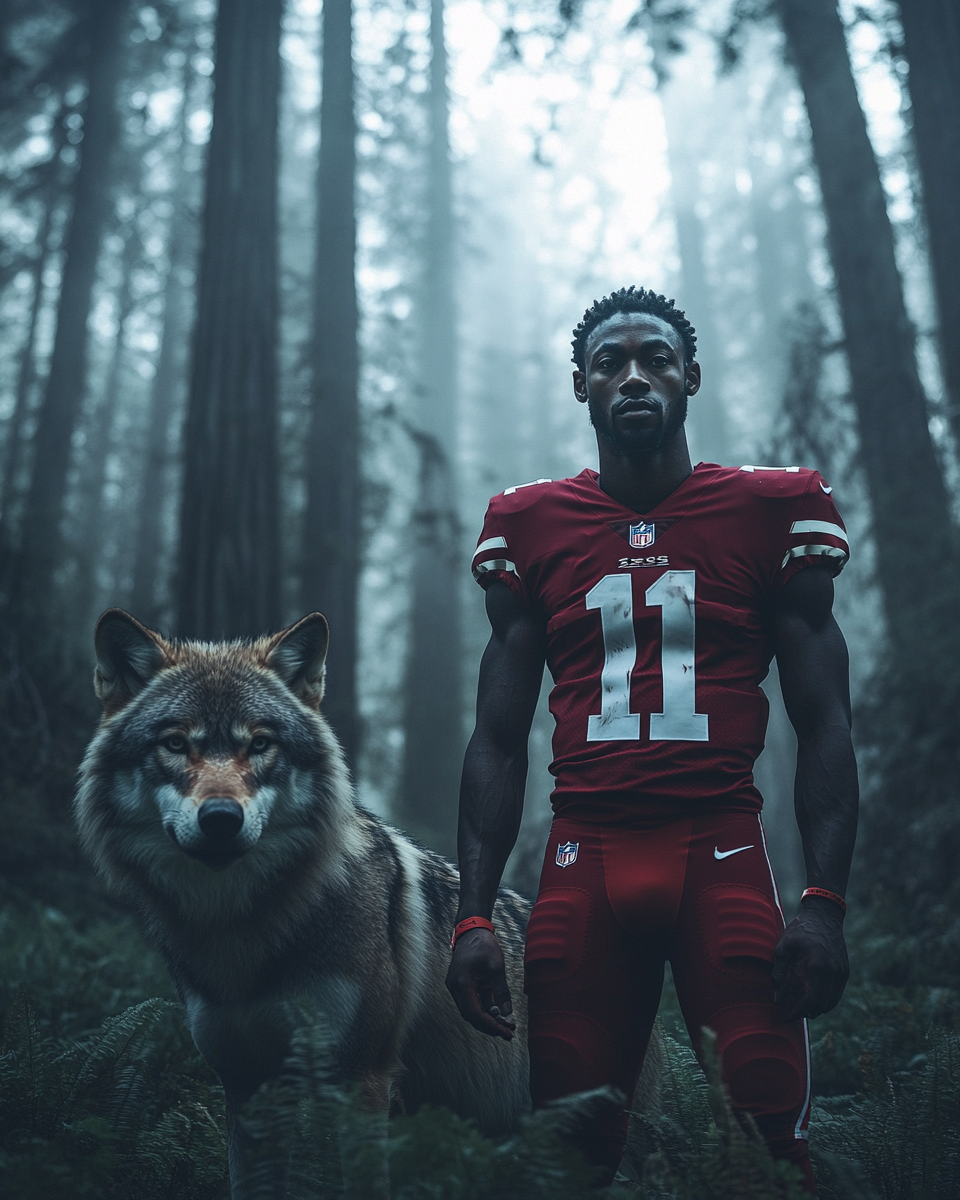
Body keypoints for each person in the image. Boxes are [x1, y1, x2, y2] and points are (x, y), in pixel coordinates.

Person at [445, 287, 858, 1194]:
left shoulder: (770, 508)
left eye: (656, 358)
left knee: (768, 1141)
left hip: (720, 850)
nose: (633, 375)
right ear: (583, 389)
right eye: (609, 363)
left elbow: (824, 720)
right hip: (582, 859)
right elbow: (498, 737)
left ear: (691, 376)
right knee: (571, 1152)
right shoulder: (531, 523)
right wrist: (473, 913)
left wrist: (823, 901)